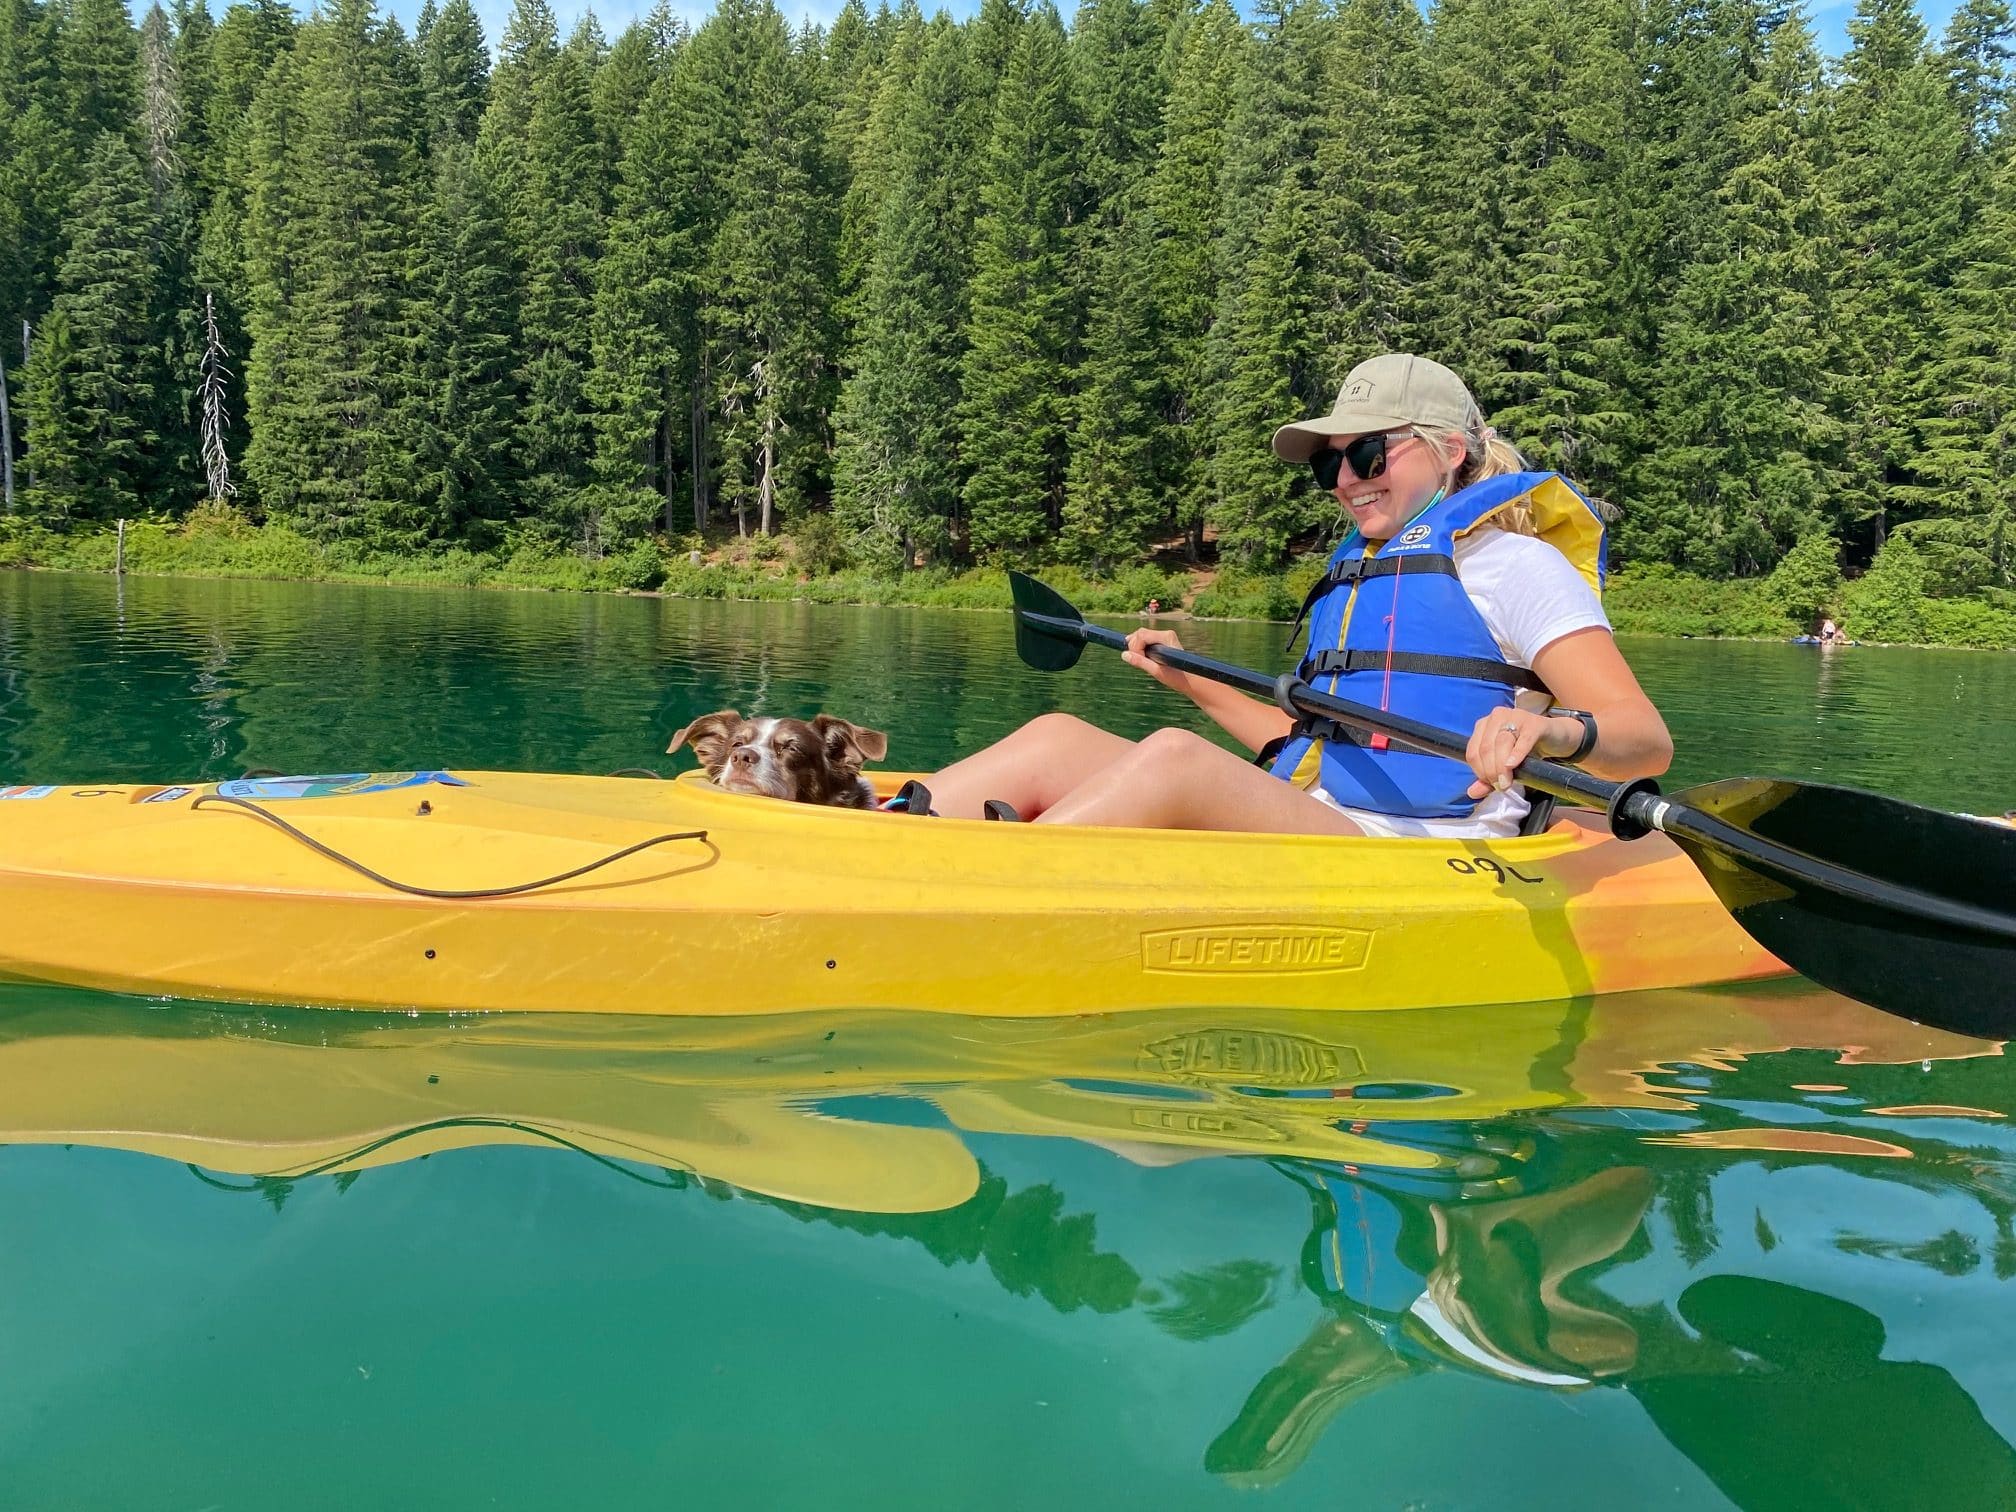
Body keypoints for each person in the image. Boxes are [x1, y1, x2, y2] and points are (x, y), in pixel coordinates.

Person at [920, 353, 1672, 835]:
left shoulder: (1515, 566)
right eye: (1329, 466)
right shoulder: (1359, 575)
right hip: (1324, 814)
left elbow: (1644, 740)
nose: (1345, 480)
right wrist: (1190, 682)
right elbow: (1304, 752)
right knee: (1058, 737)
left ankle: (964, 893)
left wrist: (1552, 733)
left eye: (1368, 452)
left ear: (1448, 451)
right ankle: (872, 826)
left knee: (1177, 762)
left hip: (1424, 849)